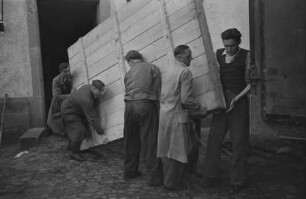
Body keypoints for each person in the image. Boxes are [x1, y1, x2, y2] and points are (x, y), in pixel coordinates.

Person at [203, 28, 251, 194]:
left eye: (232, 45)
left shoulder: (247, 55)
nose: (229, 49)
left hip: (239, 101)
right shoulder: (218, 54)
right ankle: (210, 176)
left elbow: (252, 83)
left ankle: (238, 180)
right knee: (214, 139)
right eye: (226, 45)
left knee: (239, 142)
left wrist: (237, 99)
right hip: (222, 102)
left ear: (238, 42)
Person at [157, 45, 207, 190]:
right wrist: (199, 108)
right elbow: (186, 99)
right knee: (179, 149)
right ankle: (171, 184)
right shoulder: (185, 71)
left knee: (167, 148)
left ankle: (171, 179)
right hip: (176, 115)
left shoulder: (169, 70)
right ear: (180, 57)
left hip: (164, 114)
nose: (191, 58)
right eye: (189, 55)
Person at [123, 50, 162, 186]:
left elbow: (127, 88)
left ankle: (129, 171)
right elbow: (157, 91)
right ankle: (155, 177)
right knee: (150, 140)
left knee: (131, 139)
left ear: (131, 61)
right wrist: (157, 110)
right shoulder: (153, 68)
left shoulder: (128, 73)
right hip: (145, 104)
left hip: (129, 106)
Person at [61, 80, 105, 161]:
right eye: (100, 91)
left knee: (77, 130)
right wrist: (101, 132)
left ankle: (71, 146)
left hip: (73, 109)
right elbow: (92, 117)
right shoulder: (87, 99)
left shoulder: (88, 87)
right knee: (80, 130)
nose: (102, 93)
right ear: (94, 88)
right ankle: (73, 152)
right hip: (68, 111)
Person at [46, 62, 73, 136]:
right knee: (53, 119)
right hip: (58, 103)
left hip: (68, 101)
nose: (68, 73)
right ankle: (49, 130)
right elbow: (57, 97)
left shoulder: (72, 77)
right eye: (65, 72)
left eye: (69, 70)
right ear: (60, 72)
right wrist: (71, 95)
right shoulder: (56, 80)